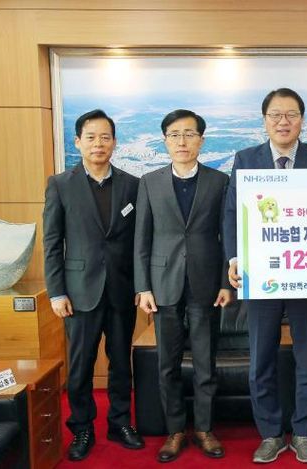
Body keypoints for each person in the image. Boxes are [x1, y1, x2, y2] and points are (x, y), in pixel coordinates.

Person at [224, 88, 307, 464]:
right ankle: (270, 433)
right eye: (275, 115)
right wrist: (235, 258)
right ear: (264, 120)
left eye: (291, 115)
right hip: (261, 274)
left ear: (302, 120)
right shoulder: (246, 158)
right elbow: (231, 213)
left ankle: (303, 432)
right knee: (261, 359)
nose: (283, 122)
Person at [43, 109, 144, 461]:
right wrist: (56, 291)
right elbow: (52, 242)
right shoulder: (60, 184)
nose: (98, 143)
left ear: (114, 142)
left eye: (105, 137)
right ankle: (82, 427)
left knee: (121, 363)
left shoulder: (132, 184)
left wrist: (141, 285)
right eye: (91, 137)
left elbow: (139, 242)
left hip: (121, 290)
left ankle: (120, 422)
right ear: (77, 142)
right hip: (78, 291)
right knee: (81, 366)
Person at [134, 109, 232, 463]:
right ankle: (175, 430)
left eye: (189, 134)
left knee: (206, 362)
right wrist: (143, 287)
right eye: (174, 135)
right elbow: (141, 239)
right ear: (165, 141)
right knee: (168, 364)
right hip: (163, 284)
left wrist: (225, 282)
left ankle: (204, 429)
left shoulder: (219, 182)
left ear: (201, 140)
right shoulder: (150, 182)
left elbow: (226, 237)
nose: (182, 141)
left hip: (206, 283)